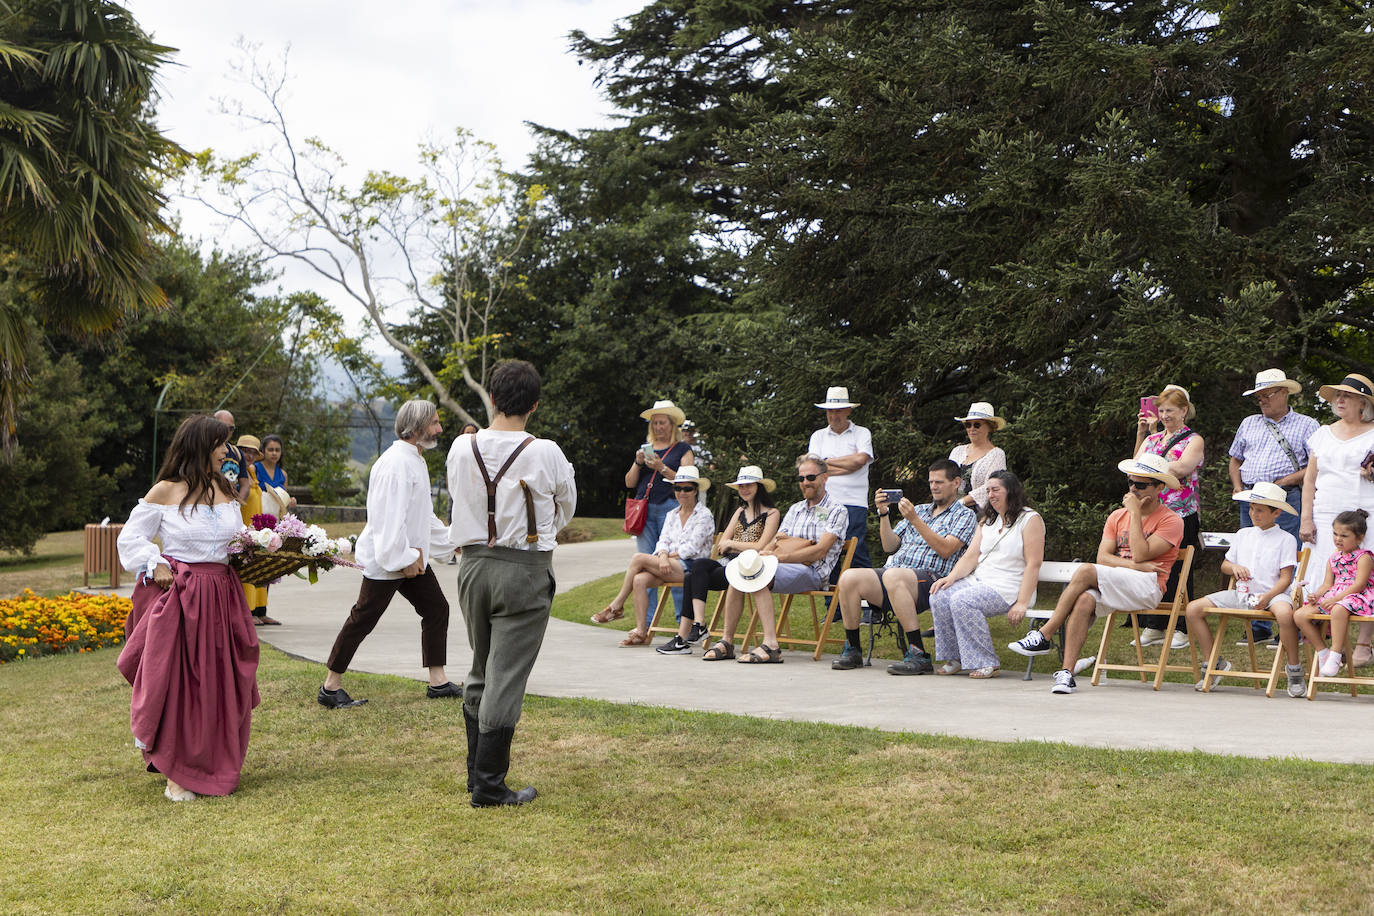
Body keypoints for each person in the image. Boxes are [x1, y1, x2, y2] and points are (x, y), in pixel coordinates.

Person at [447, 360, 576, 807]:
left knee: (482, 665)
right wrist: (533, 530)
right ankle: (488, 786)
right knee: (506, 677)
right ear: (534, 405)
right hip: (523, 568)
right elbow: (566, 507)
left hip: (473, 566)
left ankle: (474, 774)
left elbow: (456, 497)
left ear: (492, 399)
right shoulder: (547, 451)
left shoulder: (461, 449)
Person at [115, 415, 259, 801]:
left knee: (220, 684)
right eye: (218, 445)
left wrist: (264, 548)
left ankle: (213, 763)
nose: (225, 452)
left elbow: (235, 541)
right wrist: (155, 561)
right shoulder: (165, 491)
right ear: (199, 446)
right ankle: (176, 773)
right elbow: (130, 538)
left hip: (224, 597)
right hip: (183, 598)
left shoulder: (226, 489)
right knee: (181, 686)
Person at [317, 400, 459, 709]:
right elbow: (388, 520)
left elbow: (422, 516)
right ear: (417, 428)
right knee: (362, 619)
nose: (439, 429)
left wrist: (452, 539)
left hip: (409, 556)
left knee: (437, 609)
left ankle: (438, 682)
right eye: (434, 423)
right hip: (389, 558)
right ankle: (330, 687)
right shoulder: (396, 464)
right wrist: (404, 558)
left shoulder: (415, 460)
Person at [1008, 453, 1183, 695]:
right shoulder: (1115, 516)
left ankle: (1045, 633)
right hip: (1121, 578)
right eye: (1131, 483)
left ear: (1159, 487)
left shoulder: (1171, 520)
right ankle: (1066, 674)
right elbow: (1103, 557)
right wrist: (1133, 565)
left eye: (1141, 485)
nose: (1133, 490)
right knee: (1084, 599)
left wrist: (1134, 515)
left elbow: (1141, 554)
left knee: (1086, 569)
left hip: (1148, 586)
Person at [830, 460, 978, 675]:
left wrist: (916, 521)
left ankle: (918, 653)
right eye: (931, 482)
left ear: (956, 483)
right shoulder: (920, 510)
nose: (933, 487)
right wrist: (883, 514)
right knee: (849, 577)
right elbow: (890, 546)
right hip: (897, 573)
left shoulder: (964, 515)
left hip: (933, 579)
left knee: (893, 576)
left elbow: (946, 550)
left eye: (939, 482)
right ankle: (853, 649)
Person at [701, 454, 848, 663]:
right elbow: (776, 540)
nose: (805, 482)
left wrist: (782, 556)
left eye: (811, 477)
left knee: (759, 576)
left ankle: (771, 646)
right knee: (740, 572)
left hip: (813, 571)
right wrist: (762, 554)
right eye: (801, 478)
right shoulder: (796, 509)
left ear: (824, 478)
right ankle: (727, 641)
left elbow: (820, 551)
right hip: (780, 563)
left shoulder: (837, 510)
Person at [923, 471, 1045, 678]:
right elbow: (971, 556)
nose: (990, 495)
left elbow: (1034, 563)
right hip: (979, 581)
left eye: (996, 489)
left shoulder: (1029, 519)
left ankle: (986, 661)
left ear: (1011, 491)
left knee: (962, 601)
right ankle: (955, 658)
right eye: (988, 490)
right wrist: (950, 578)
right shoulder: (988, 520)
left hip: (1009, 587)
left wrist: (1022, 602)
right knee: (940, 595)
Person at [1226, 369, 1317, 641]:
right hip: (1251, 498)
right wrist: (1238, 487)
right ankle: (1257, 626)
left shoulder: (1307, 424)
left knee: (1290, 558)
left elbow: (1316, 466)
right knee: (1250, 557)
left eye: (1266, 395)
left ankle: (1290, 624)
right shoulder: (1249, 423)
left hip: (1286, 497)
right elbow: (1235, 459)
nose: (1262, 401)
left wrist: (1288, 479)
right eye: (1258, 397)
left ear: (1284, 393)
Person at [1184, 484, 1301, 694]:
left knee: (1285, 615)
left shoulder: (1286, 539)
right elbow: (1225, 565)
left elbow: (1285, 578)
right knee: (1193, 609)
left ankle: (1294, 668)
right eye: (1251, 508)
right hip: (1242, 594)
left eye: (1259, 510)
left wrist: (1268, 596)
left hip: (1274, 594)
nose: (1253, 514)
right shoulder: (1243, 534)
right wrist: (1235, 567)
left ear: (1276, 512)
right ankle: (1213, 662)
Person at [656, 466, 782, 655]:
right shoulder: (740, 511)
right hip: (728, 564)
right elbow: (721, 544)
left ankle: (684, 638)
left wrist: (733, 543)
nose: (744, 490)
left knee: (692, 576)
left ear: (759, 487)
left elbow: (761, 546)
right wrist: (733, 544)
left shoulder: (771, 513)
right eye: (741, 486)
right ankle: (699, 624)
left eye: (748, 485)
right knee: (697, 568)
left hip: (749, 567)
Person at [593, 466, 715, 647]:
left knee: (638, 559)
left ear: (696, 490)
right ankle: (641, 632)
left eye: (687, 488)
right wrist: (663, 556)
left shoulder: (704, 515)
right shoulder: (671, 514)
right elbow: (662, 541)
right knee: (640, 580)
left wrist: (664, 558)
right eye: (677, 488)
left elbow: (691, 549)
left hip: (692, 569)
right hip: (669, 565)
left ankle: (616, 606)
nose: (682, 493)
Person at [1300, 373, 1374, 668]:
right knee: (1323, 571)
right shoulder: (1322, 433)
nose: (1339, 400)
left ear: (1362, 402)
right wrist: (1306, 517)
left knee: (1366, 574)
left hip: (1365, 509)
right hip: (1325, 511)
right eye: (1336, 396)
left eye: (1347, 395)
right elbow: (1309, 478)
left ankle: (1364, 645)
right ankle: (1325, 646)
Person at [1132, 384, 1204, 649]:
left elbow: (1183, 467)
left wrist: (1151, 466)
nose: (1164, 415)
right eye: (1161, 410)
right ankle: (1155, 624)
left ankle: (1183, 628)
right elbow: (1134, 464)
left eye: (1170, 410)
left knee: (1179, 568)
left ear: (1184, 410)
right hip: (1152, 513)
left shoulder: (1193, 439)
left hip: (1181, 513)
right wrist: (1142, 433)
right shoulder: (1152, 439)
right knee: (1153, 566)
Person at [624, 399, 695, 618]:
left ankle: (680, 619)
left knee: (672, 563)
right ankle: (647, 621)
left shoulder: (683, 449)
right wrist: (638, 463)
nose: (658, 427)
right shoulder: (646, 449)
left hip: (671, 509)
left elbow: (689, 479)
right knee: (646, 564)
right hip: (645, 511)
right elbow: (629, 482)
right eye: (655, 423)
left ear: (672, 425)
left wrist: (661, 468)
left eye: (662, 423)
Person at [1296, 510, 1374, 679]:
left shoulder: (1364, 558)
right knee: (1300, 615)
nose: (1338, 539)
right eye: (1335, 534)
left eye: (1344, 535)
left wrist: (1337, 599)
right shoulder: (1333, 558)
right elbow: (1327, 584)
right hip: (1334, 595)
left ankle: (1336, 654)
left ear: (1359, 537)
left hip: (1357, 595)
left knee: (1339, 609)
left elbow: (1359, 584)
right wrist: (1317, 596)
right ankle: (1323, 651)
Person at [808, 386, 874, 573]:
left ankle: (871, 598)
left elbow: (860, 460)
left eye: (838, 410)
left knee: (856, 550)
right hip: (824, 504)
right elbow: (813, 469)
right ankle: (832, 602)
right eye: (830, 410)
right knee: (827, 549)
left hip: (854, 502)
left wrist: (826, 464)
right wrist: (849, 463)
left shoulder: (862, 433)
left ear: (848, 411)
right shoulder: (818, 436)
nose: (833, 415)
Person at [233, 434, 276, 626]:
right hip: (242, 529)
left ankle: (260, 610)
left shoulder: (252, 472)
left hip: (257, 530)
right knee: (246, 573)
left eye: (252, 452)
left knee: (260, 571)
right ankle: (247, 612)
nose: (249, 456)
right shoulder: (235, 473)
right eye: (245, 451)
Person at [949, 402, 1008, 511]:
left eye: (977, 424)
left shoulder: (997, 455)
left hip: (980, 514)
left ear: (990, 427)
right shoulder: (957, 451)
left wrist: (961, 502)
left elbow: (991, 486)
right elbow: (945, 479)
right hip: (950, 510)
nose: (972, 428)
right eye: (968, 424)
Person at [254, 434, 297, 513]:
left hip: (275, 518)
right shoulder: (254, 468)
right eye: (270, 450)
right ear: (263, 451)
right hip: (257, 514)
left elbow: (283, 501)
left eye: (277, 450)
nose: (274, 453)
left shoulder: (283, 474)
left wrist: (290, 501)